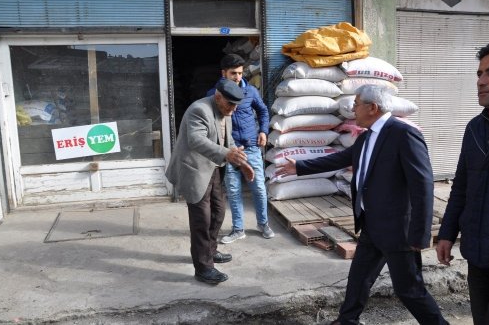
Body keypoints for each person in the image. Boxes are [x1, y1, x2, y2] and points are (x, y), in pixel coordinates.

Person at [275, 84, 448, 325]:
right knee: (359, 279)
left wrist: (420, 234)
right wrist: (300, 167)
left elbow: (423, 185)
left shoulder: (403, 134)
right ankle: (347, 321)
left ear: (372, 108)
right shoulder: (366, 136)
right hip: (371, 224)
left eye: (356, 105)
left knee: (409, 290)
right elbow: (341, 158)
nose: (352, 110)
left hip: (399, 231)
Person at [165, 79, 255, 285]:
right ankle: (203, 267)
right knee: (201, 220)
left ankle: (210, 251)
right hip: (194, 170)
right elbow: (196, 140)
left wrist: (241, 163)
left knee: (218, 212)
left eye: (236, 105)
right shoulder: (199, 110)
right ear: (217, 97)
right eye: (229, 104)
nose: (233, 110)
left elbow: (228, 140)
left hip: (212, 168)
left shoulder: (226, 112)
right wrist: (227, 154)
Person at [436, 43, 489, 325]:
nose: (481, 81)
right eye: (480, 73)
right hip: (478, 255)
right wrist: (447, 233)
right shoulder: (474, 128)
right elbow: (461, 186)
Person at [207, 53, 274, 243]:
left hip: (251, 148)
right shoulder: (215, 95)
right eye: (233, 74)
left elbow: (262, 110)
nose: (237, 78)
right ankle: (238, 229)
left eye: (240, 73)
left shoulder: (250, 91)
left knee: (259, 188)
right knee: (234, 190)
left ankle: (263, 223)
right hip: (229, 152)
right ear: (223, 74)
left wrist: (263, 131)